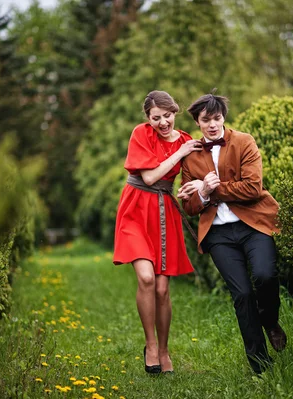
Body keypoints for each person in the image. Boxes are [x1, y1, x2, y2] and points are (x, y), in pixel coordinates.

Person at [177, 92, 287, 374]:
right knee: (242, 295)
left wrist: (211, 188)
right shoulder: (190, 156)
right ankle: (261, 366)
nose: (212, 125)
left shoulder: (244, 141)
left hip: (253, 224)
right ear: (197, 122)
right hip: (218, 235)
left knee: (265, 275)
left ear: (223, 117)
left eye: (217, 118)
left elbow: (252, 188)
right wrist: (201, 192)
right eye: (206, 120)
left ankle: (270, 319)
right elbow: (188, 206)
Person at [113, 90, 203, 374]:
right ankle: (150, 345)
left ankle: (164, 351)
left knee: (163, 290)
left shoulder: (188, 140)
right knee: (147, 277)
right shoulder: (141, 134)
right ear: (148, 118)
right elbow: (150, 177)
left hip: (165, 212)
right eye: (156, 118)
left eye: (167, 116)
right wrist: (179, 152)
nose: (163, 122)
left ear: (174, 112)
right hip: (136, 209)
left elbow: (198, 172)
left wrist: (198, 187)